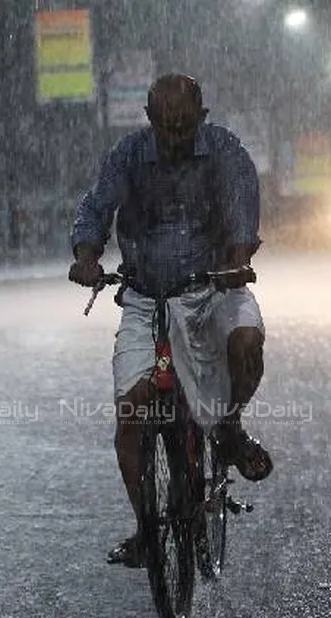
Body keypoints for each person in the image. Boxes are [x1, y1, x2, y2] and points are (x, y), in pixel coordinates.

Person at [68, 74, 273, 568]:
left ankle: (227, 426)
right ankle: (145, 528)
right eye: (166, 127)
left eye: (184, 126)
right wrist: (87, 255)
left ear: (200, 118)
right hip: (144, 296)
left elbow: (243, 202)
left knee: (246, 343)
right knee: (132, 417)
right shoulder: (128, 156)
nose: (175, 137)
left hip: (212, 288)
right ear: (150, 121)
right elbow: (96, 207)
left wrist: (239, 254)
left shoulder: (224, 150)